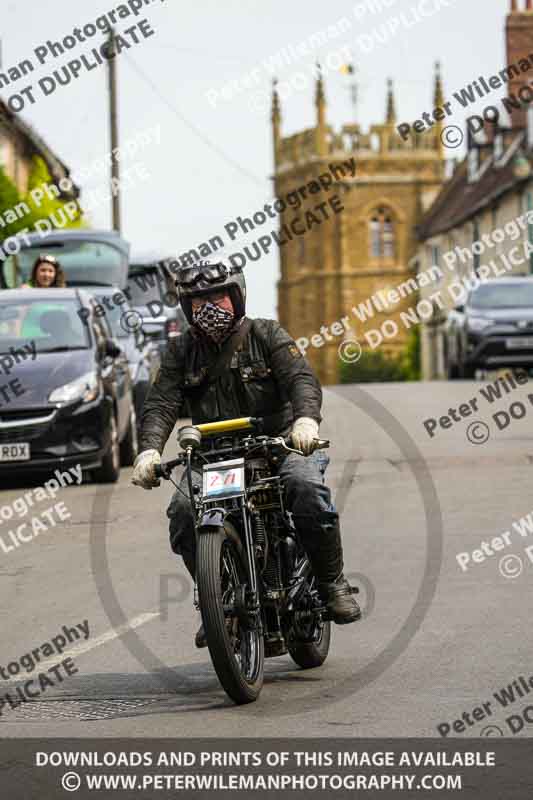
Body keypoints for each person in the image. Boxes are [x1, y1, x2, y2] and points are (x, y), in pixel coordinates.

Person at [132, 261, 361, 647]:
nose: (208, 306)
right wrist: (149, 451)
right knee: (184, 512)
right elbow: (161, 404)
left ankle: (331, 582)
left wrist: (306, 422)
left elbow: (301, 379)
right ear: (186, 307)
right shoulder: (180, 351)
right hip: (217, 454)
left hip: (279, 445)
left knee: (305, 488)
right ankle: (216, 602)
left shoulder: (267, 333)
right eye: (198, 300)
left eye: (216, 296)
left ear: (235, 297)